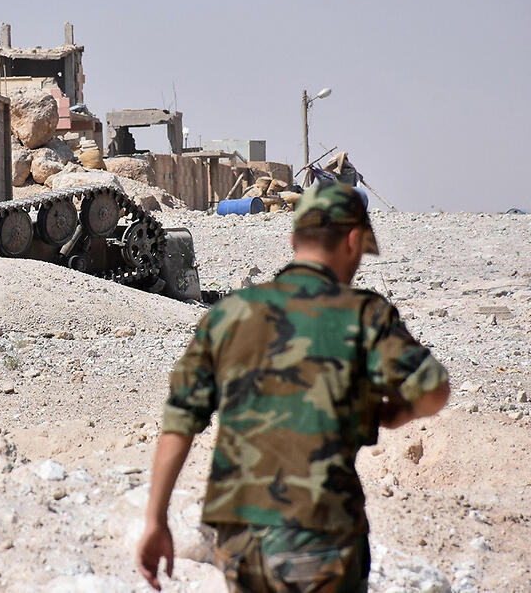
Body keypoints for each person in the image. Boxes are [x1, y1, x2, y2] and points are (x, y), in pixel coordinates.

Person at [136, 180, 450, 592]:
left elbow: (179, 421)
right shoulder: (364, 315)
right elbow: (432, 388)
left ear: (292, 239)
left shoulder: (228, 315)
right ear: (354, 241)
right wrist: (392, 414)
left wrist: (156, 520)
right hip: (320, 533)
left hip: (239, 537)